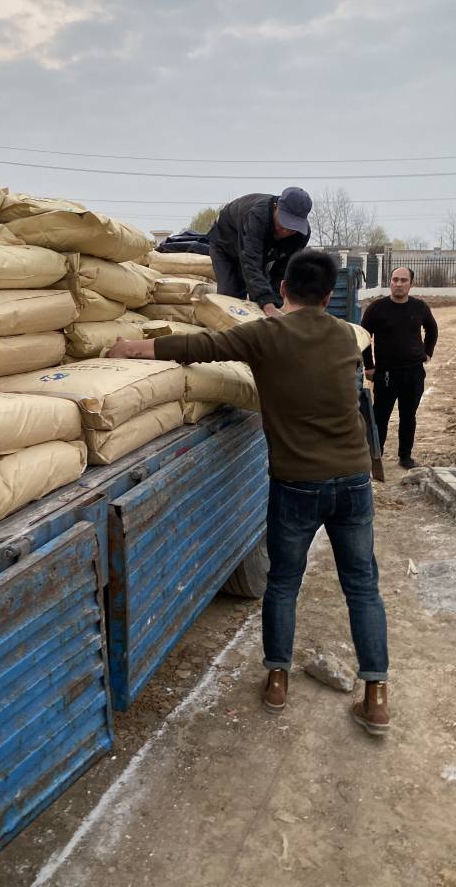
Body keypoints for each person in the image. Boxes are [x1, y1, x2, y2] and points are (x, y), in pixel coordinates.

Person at [108, 249, 390, 736]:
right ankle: (376, 698)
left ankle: (277, 681)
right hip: (353, 480)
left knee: (283, 582)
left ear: (282, 289)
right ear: (328, 296)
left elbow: (200, 346)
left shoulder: (265, 335)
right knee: (362, 586)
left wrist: (133, 349)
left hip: (297, 484)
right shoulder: (347, 336)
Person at [361, 266, 438, 470]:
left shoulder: (419, 307)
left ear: (411, 284)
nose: (398, 284)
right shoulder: (377, 308)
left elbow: (432, 329)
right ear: (390, 282)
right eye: (395, 279)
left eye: (403, 280)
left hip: (413, 373)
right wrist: (369, 366)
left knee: (408, 416)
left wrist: (427, 352)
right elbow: (363, 336)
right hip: (386, 373)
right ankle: (375, 457)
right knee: (380, 417)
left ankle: (405, 456)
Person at [208, 187, 312, 318]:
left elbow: (283, 271)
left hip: (260, 253)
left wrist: (275, 305)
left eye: (292, 228)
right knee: (231, 294)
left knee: (267, 296)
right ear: (276, 208)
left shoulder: (301, 235)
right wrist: (266, 304)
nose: (286, 231)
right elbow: (250, 261)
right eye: (284, 223)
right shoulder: (257, 216)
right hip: (225, 244)